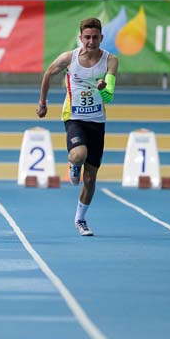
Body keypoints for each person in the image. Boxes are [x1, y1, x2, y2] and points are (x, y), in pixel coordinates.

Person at [36, 18, 118, 237]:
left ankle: (80, 219)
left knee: (90, 179)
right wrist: (43, 103)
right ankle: (74, 163)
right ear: (80, 38)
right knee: (79, 154)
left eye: (95, 37)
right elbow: (48, 73)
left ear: (101, 38)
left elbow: (109, 97)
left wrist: (103, 88)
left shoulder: (110, 61)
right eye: (87, 37)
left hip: (97, 121)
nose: (91, 41)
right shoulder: (69, 58)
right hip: (74, 117)